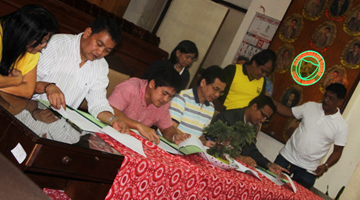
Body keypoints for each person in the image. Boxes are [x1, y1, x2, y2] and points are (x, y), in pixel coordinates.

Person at [32, 17, 128, 133]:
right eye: (99, 44)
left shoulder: (101, 66)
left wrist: (113, 120)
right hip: (32, 110)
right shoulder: (56, 44)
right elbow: (28, 84)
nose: (100, 53)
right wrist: (48, 87)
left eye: (107, 51)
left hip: (60, 124)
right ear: (88, 33)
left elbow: (97, 104)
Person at [274, 83, 348, 189]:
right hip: (286, 158)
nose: (326, 100)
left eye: (331, 98)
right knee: (269, 188)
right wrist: (269, 101)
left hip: (308, 171)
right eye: (325, 95)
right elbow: (288, 112)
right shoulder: (310, 106)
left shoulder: (341, 126)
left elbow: (337, 151)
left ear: (340, 102)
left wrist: (325, 165)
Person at [108, 64, 190, 144]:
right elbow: (111, 110)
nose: (166, 99)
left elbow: (166, 128)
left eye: (170, 97)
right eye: (164, 93)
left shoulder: (163, 103)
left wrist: (174, 136)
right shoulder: (131, 87)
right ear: (152, 84)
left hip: (131, 142)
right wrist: (138, 126)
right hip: (110, 133)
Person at [213, 95, 289, 175]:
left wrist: (268, 164)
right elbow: (216, 144)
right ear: (254, 106)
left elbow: (251, 150)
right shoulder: (228, 117)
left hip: (235, 168)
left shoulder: (252, 127)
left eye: (266, 118)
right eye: (263, 115)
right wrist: (239, 157)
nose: (263, 120)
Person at [0, 4, 58, 98]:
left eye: (46, 41)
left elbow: (27, 91)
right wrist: (17, 81)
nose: (44, 46)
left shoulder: (31, 50)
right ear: (25, 35)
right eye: (42, 42)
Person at [170, 65, 227, 147]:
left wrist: (204, 142)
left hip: (189, 148)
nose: (217, 95)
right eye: (215, 89)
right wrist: (191, 140)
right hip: (172, 145)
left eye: (221, 92)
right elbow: (170, 128)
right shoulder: (182, 97)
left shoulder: (210, 107)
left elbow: (201, 136)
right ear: (203, 83)